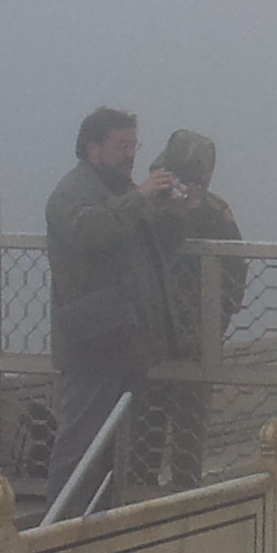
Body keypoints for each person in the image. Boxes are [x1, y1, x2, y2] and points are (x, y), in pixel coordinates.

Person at [42, 107, 192, 503]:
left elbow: (159, 250)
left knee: (113, 453)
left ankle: (99, 527)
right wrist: (140, 197)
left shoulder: (123, 193)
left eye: (133, 146)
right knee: (80, 448)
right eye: (121, 146)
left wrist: (173, 213)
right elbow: (87, 232)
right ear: (93, 149)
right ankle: (58, 530)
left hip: (128, 342)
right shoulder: (71, 193)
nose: (130, 155)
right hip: (93, 344)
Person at [146, 129, 245, 491]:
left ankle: (185, 498)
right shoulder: (146, 204)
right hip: (150, 336)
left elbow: (235, 271)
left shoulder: (216, 213)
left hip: (194, 341)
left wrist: (212, 323)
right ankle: (140, 496)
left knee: (188, 431)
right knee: (144, 428)